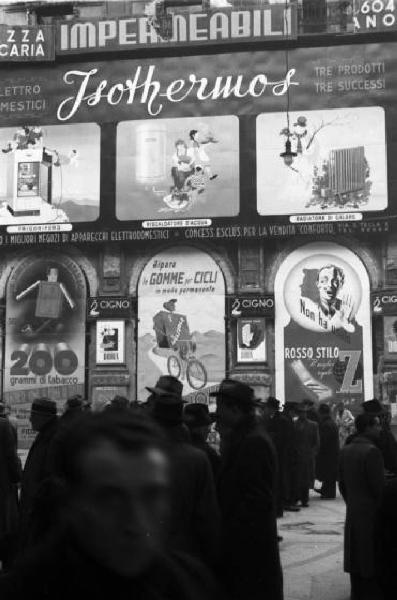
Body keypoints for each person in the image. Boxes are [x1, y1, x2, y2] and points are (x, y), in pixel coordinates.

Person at [0, 411, 216, 600]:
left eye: (151, 496)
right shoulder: (25, 589)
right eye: (111, 500)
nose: (136, 522)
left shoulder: (190, 584)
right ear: (73, 503)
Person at [212, 379, 283, 600]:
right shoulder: (244, 436)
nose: (217, 413)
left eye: (220, 407)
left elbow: (256, 502)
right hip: (246, 551)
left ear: (234, 409)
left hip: (249, 553)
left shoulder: (253, 442)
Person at [148, 376, 220, 568]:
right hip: (184, 557)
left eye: (155, 399)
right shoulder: (197, 456)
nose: (150, 403)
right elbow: (208, 519)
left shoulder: (142, 451)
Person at [339, 413, 384, 600]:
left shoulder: (346, 450)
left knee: (355, 554)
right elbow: (378, 488)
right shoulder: (372, 452)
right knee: (369, 555)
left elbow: (341, 484)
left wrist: (352, 501)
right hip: (370, 512)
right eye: (377, 425)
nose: (380, 429)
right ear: (368, 427)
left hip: (353, 509)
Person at [18, 398, 58, 553]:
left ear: (43, 417)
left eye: (33, 415)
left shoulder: (53, 439)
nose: (29, 419)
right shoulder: (46, 435)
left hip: (40, 514)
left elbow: (49, 478)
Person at [260, 396, 293, 517]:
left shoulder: (281, 420)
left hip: (279, 455)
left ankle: (278, 509)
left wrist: (271, 437)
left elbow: (284, 439)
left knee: (278, 482)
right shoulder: (267, 419)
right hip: (272, 455)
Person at [0, 414, 22, 570]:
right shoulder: (4, 426)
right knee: (6, 531)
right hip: (3, 487)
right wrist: (17, 477)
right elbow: (11, 456)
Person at [292, 402, 319, 507]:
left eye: (304, 413)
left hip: (308, 456)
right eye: (301, 413)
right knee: (297, 479)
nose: (303, 414)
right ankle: (296, 497)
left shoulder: (313, 425)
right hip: (297, 456)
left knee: (306, 479)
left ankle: (305, 499)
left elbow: (316, 442)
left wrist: (312, 454)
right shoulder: (294, 424)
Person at [183, 403, 220, 479]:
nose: (209, 430)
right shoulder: (208, 454)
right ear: (200, 429)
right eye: (207, 426)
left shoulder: (170, 448)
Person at [315, 403, 339, 499]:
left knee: (328, 473)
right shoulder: (331, 422)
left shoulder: (326, 424)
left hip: (328, 453)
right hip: (332, 452)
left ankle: (328, 493)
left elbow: (324, 440)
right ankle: (326, 490)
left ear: (322, 413)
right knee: (329, 473)